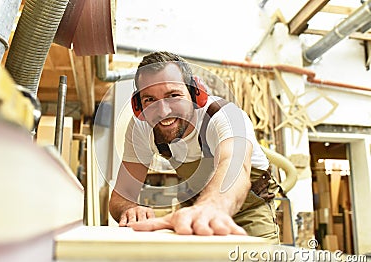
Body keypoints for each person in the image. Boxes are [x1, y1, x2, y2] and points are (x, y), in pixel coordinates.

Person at [109, 51, 280, 243]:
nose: (163, 111)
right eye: (149, 100)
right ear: (138, 105)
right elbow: (121, 196)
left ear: (195, 94)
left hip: (248, 210)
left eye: (173, 95)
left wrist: (210, 208)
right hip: (196, 207)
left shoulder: (226, 116)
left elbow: (234, 168)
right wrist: (130, 210)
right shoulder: (141, 128)